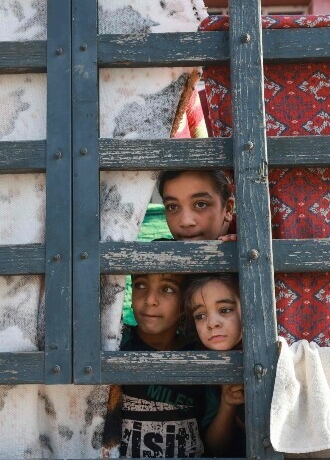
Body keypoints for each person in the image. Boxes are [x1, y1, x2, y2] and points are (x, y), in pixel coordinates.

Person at [103, 270, 218, 458]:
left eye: (167, 289)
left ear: (186, 303)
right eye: (140, 286)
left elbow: (216, 443)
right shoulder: (117, 344)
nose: (150, 300)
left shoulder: (200, 354)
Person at [183, 273, 245, 457]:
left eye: (225, 310)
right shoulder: (203, 363)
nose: (212, 323)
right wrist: (227, 403)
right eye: (200, 315)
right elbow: (215, 447)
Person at [157, 171, 236, 242]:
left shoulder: (246, 236)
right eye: (172, 207)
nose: (186, 222)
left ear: (228, 209)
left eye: (200, 204)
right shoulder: (160, 251)